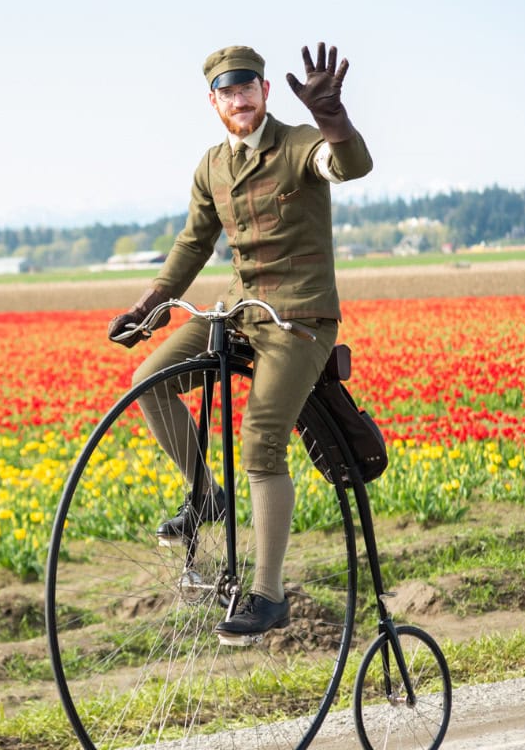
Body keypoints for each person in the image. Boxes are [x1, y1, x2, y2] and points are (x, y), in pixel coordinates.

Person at [108, 42, 373, 638]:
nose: (239, 99)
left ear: (264, 92)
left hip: (299, 319)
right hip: (239, 311)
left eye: (248, 87)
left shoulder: (301, 143)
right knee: (147, 379)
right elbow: (193, 243)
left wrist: (334, 119)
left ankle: (268, 593)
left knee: (260, 442)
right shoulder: (211, 165)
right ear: (214, 102)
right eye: (228, 92)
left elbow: (348, 165)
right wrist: (151, 305)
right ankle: (206, 495)